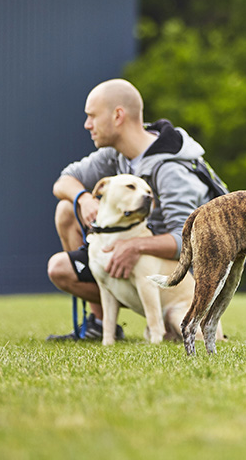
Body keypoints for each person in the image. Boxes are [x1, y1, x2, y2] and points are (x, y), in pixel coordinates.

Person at [46, 78, 217, 341]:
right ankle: (100, 324)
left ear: (118, 116)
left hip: (179, 279)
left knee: (133, 255)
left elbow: (191, 244)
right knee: (67, 211)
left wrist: (135, 246)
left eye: (92, 116)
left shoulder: (172, 170)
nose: (87, 125)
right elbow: (63, 181)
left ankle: (176, 321)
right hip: (131, 262)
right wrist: (84, 199)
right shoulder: (116, 154)